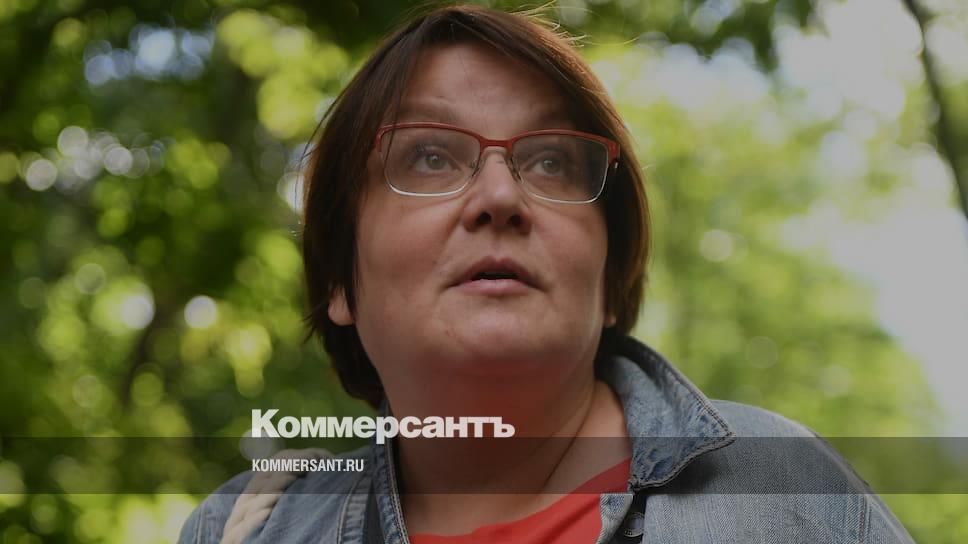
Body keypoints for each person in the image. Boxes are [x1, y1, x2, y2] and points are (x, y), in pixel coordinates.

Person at [179, 5, 915, 543]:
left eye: (552, 161)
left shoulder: (782, 493)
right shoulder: (244, 529)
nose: (501, 196)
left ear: (608, 275)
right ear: (340, 279)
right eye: (429, 156)